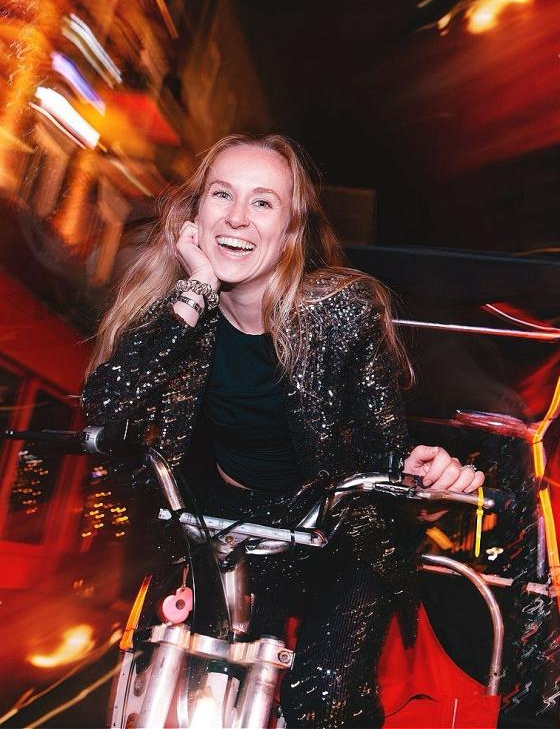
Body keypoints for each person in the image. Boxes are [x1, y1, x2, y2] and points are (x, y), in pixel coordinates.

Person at [82, 133, 485, 728]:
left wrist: (428, 475)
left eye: (263, 202)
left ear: (290, 230)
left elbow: (385, 452)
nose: (238, 217)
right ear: (195, 216)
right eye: (222, 195)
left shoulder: (342, 312)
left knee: (318, 702)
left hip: (340, 535)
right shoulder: (175, 314)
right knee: (190, 687)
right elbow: (106, 407)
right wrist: (195, 287)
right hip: (229, 525)